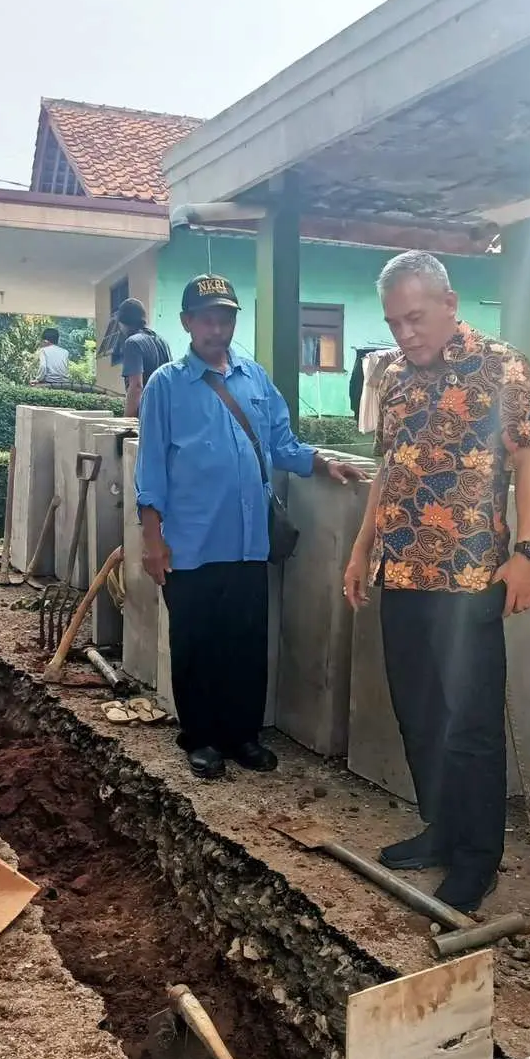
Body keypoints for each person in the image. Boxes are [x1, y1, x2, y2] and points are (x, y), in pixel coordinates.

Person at [343, 251, 530, 915]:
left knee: (471, 725)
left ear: (449, 302)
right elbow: (387, 470)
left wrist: (528, 552)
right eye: (395, 322)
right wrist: (359, 552)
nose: (406, 333)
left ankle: (477, 858)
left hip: (468, 579)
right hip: (400, 573)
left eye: (415, 317)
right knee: (420, 714)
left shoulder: (501, 366)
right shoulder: (395, 377)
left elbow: (529, 464)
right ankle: (442, 827)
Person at [136, 274, 366, 780]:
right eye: (207, 318)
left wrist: (324, 463)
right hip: (191, 543)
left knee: (244, 641)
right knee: (197, 644)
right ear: (187, 323)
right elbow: (150, 468)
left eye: (226, 317)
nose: (218, 328)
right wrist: (152, 541)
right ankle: (200, 738)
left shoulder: (255, 379)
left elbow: (281, 443)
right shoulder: (165, 386)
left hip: (246, 541)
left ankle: (242, 735)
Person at [114, 298, 170, 417]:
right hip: (166, 413)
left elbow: (136, 386)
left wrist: (127, 423)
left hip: (147, 416)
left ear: (123, 323)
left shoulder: (132, 343)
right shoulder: (162, 342)